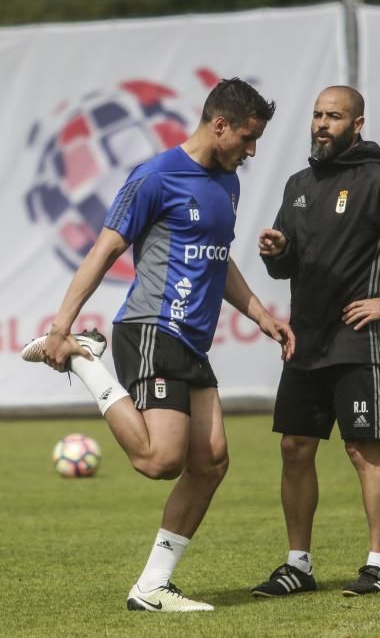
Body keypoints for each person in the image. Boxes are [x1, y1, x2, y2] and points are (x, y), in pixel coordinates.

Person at [22, 77, 295, 612]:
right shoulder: (154, 176)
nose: (252, 150)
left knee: (212, 461)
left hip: (192, 343)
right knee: (158, 461)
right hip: (151, 328)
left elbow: (219, 256)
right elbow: (102, 252)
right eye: (247, 137)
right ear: (219, 125)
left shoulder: (228, 183)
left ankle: (151, 587)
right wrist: (60, 327)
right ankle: (88, 362)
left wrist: (261, 313)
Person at [251, 85, 380, 598]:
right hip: (304, 343)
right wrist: (277, 251)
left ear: (356, 124)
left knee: (363, 451)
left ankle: (379, 565)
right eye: (317, 114)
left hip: (358, 344)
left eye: (333, 116)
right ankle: (298, 566)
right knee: (295, 449)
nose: (321, 124)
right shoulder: (298, 184)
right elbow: (286, 267)